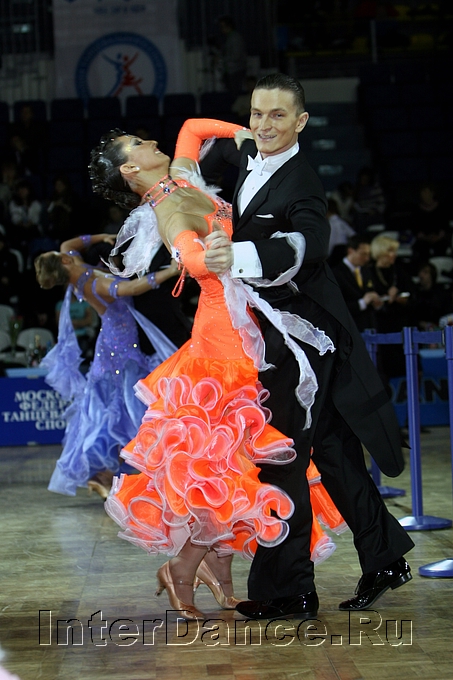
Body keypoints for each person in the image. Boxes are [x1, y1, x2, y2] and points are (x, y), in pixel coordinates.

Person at [88, 119, 344, 620]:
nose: (152, 141)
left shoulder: (184, 179)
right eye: (139, 144)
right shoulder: (168, 208)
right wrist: (220, 254)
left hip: (245, 331)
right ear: (131, 169)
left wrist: (243, 134)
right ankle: (182, 568)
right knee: (222, 462)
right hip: (221, 345)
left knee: (238, 460)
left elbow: (192, 128)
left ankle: (219, 570)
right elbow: (196, 263)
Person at [199, 73, 414, 619]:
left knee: (283, 456)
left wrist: (239, 257)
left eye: (277, 115)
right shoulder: (247, 155)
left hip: (303, 341)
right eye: (256, 113)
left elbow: (309, 243)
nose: (264, 125)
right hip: (279, 332)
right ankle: (385, 556)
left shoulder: (303, 182)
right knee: (334, 452)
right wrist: (181, 173)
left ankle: (291, 589)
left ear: (301, 122)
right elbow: (196, 138)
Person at [34, 233, 180, 499]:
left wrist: (102, 237)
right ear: (64, 262)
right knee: (125, 407)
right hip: (122, 347)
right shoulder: (92, 283)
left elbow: (69, 244)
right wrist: (169, 271)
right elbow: (131, 289)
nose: (63, 250)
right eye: (59, 254)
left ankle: (105, 473)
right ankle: (106, 471)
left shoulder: (73, 263)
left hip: (113, 341)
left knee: (116, 406)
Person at [369, 234, 416, 379]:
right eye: (390, 251)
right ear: (380, 251)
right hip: (379, 325)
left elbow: (414, 296)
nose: (394, 254)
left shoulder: (399, 271)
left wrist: (403, 299)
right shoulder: (368, 272)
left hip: (400, 323)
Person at [332, 234, 382, 332]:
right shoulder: (335, 274)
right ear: (351, 251)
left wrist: (376, 303)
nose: (367, 258)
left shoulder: (366, 272)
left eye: (368, 254)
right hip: (349, 329)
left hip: (369, 328)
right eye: (363, 254)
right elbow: (337, 307)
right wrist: (362, 303)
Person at [217, 15, 248, 98]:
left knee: (235, 94)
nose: (221, 29)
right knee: (231, 93)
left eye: (222, 26)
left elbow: (236, 56)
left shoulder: (235, 38)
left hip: (236, 70)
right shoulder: (230, 38)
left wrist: (222, 59)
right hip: (231, 70)